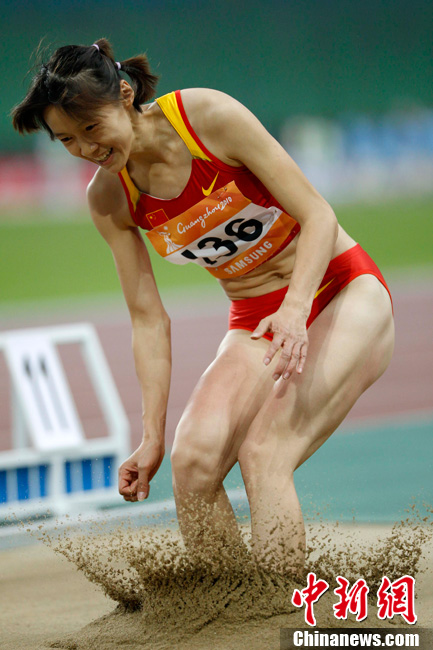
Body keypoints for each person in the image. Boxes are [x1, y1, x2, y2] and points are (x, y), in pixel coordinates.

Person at [12, 39, 394, 575]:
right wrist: (151, 436)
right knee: (192, 463)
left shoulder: (206, 117)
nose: (87, 149)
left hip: (340, 289)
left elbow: (318, 214)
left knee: (265, 453)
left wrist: (295, 309)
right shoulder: (110, 199)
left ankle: (279, 608)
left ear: (125, 95)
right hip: (256, 318)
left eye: (92, 128)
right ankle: (228, 604)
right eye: (68, 140)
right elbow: (148, 320)